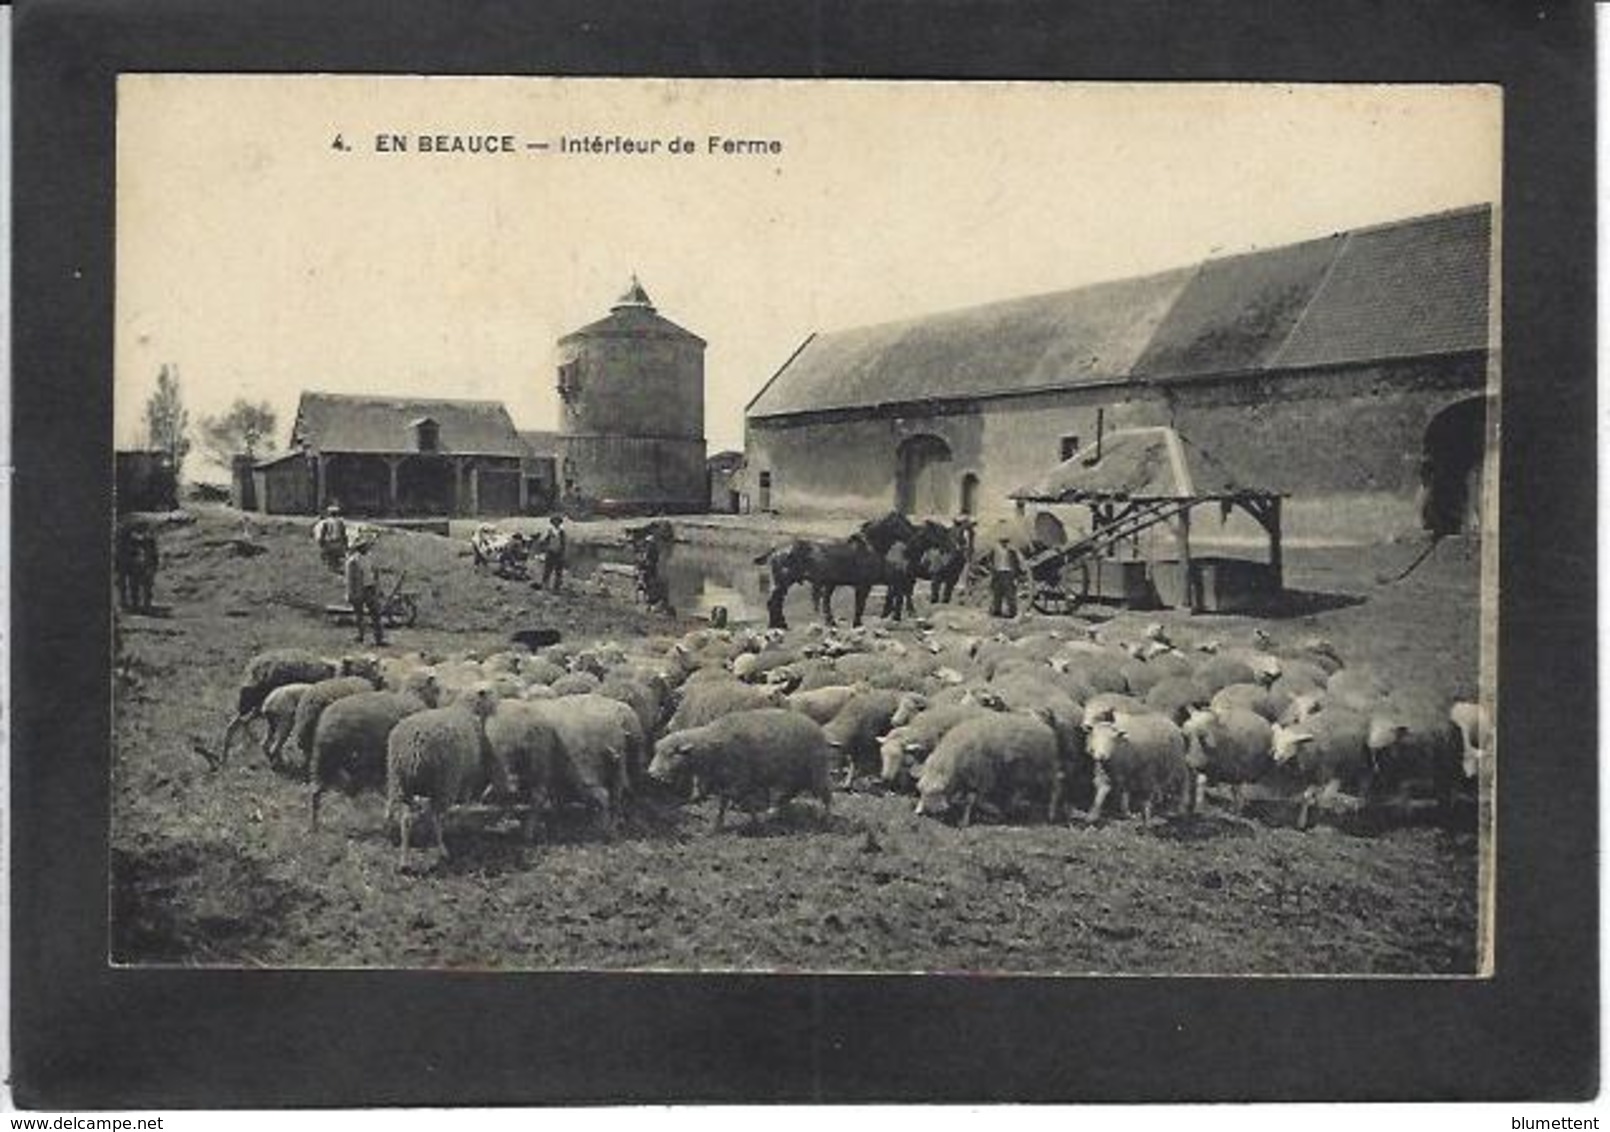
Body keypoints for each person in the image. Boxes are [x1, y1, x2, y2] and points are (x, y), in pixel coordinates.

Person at [343, 532, 385, 646]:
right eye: (364, 545)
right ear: (359, 547)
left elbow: (374, 572)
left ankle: (379, 638)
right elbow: (349, 579)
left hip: (370, 588)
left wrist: (377, 587)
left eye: (367, 545)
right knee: (359, 615)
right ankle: (360, 636)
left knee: (375, 613)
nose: (367, 547)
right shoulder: (352, 561)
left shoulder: (369, 557)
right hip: (359, 589)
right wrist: (351, 593)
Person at [989, 535, 1023, 619]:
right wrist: (992, 570)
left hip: (1008, 572)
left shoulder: (1011, 552)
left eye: (1005, 542)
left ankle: (1012, 611)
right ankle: (997, 610)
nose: (1004, 543)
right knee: (997, 592)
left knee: (1009, 593)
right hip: (998, 572)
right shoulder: (994, 551)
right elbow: (990, 561)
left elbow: (1016, 563)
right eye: (1002, 542)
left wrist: (1015, 573)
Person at [313, 504, 348, 573]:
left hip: (329, 543)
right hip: (338, 543)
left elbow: (323, 533)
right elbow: (344, 534)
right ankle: (335, 567)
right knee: (336, 558)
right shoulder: (340, 522)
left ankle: (332, 567)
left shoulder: (326, 522)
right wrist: (345, 544)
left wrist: (321, 542)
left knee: (328, 557)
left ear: (329, 513)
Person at [540, 514, 567, 593]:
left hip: (558, 553)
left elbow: (563, 543)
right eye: (554, 521)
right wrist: (545, 548)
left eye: (557, 521)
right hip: (551, 552)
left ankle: (556, 587)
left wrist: (562, 552)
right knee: (548, 569)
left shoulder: (562, 531)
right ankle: (545, 585)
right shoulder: (550, 531)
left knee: (558, 571)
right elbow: (544, 541)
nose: (556, 523)